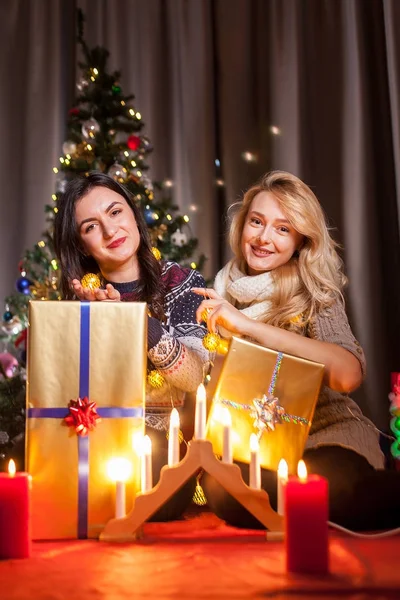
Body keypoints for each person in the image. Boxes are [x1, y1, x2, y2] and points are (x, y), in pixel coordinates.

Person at [193, 170, 400, 531]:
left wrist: (247, 327)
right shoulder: (220, 293)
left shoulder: (313, 291)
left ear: (300, 241)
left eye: (282, 228)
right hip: (262, 447)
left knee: (325, 482)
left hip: (328, 435)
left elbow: (347, 374)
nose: (263, 237)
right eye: (256, 222)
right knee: (222, 491)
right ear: (242, 226)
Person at [54, 171, 209, 520]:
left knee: (155, 488)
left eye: (115, 212)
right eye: (91, 226)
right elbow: (65, 392)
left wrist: (132, 321)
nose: (110, 231)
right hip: (99, 435)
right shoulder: (81, 299)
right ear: (81, 244)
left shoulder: (181, 283)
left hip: (161, 443)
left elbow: (195, 376)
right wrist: (88, 324)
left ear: (133, 215)